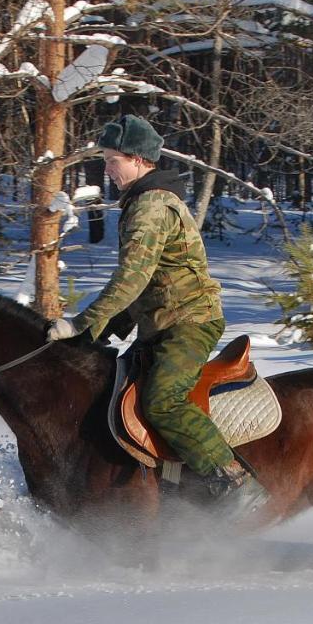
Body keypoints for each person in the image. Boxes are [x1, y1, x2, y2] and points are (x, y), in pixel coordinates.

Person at [46, 114, 265, 512]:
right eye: (107, 160)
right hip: (159, 324)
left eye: (113, 160)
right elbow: (146, 283)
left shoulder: (151, 207)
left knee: (163, 399)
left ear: (139, 159)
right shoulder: (140, 203)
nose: (107, 169)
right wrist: (110, 330)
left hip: (189, 323)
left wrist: (81, 324)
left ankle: (232, 478)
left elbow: (131, 279)